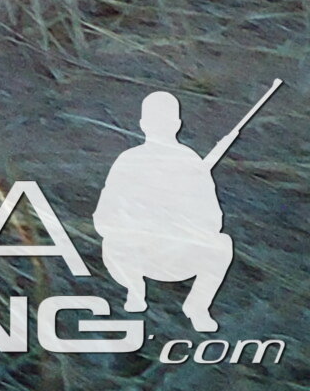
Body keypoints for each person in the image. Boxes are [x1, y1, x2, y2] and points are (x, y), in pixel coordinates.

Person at [93, 92, 240, 332]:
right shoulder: (129, 161)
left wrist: (179, 220)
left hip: (181, 255)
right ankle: (135, 290)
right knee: (112, 242)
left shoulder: (191, 163)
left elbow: (213, 221)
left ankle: (198, 307)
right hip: (137, 255)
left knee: (221, 244)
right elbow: (104, 218)